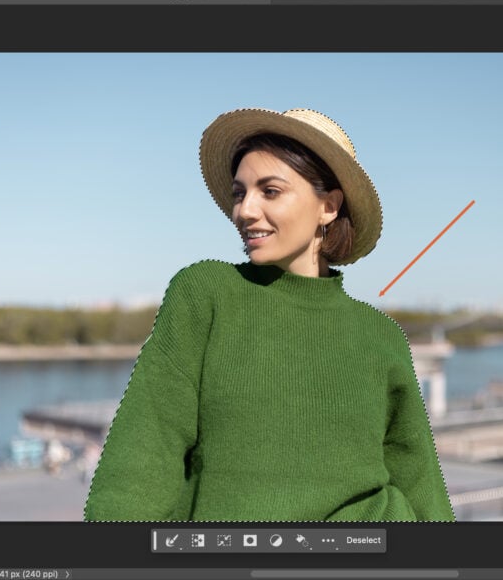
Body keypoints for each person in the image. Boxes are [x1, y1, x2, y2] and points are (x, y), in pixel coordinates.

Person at [84, 108, 455, 522]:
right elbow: (141, 460)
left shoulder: (381, 336)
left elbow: (421, 484)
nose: (244, 210)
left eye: (270, 191)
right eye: (240, 193)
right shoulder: (205, 294)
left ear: (328, 206)